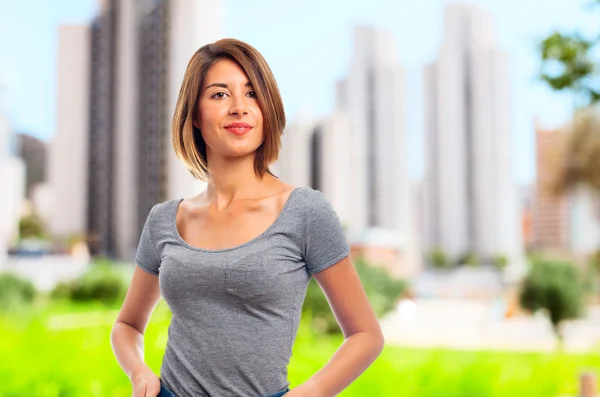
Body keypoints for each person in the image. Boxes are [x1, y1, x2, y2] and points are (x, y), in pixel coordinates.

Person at [110, 38, 383, 397]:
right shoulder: (165, 220)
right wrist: (139, 372)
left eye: (252, 94)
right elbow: (127, 324)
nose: (239, 108)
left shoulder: (305, 213)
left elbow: (366, 335)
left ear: (267, 109)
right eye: (220, 95)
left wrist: (309, 393)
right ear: (194, 114)